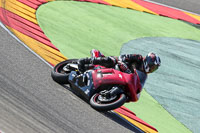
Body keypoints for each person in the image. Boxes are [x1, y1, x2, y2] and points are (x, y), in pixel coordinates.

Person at [78, 49, 161, 75]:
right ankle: (85, 60)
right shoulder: (138, 58)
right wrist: (124, 65)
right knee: (112, 60)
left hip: (121, 76)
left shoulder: (143, 74)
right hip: (117, 65)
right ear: (148, 61)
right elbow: (123, 57)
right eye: (152, 66)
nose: (152, 69)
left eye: (154, 68)